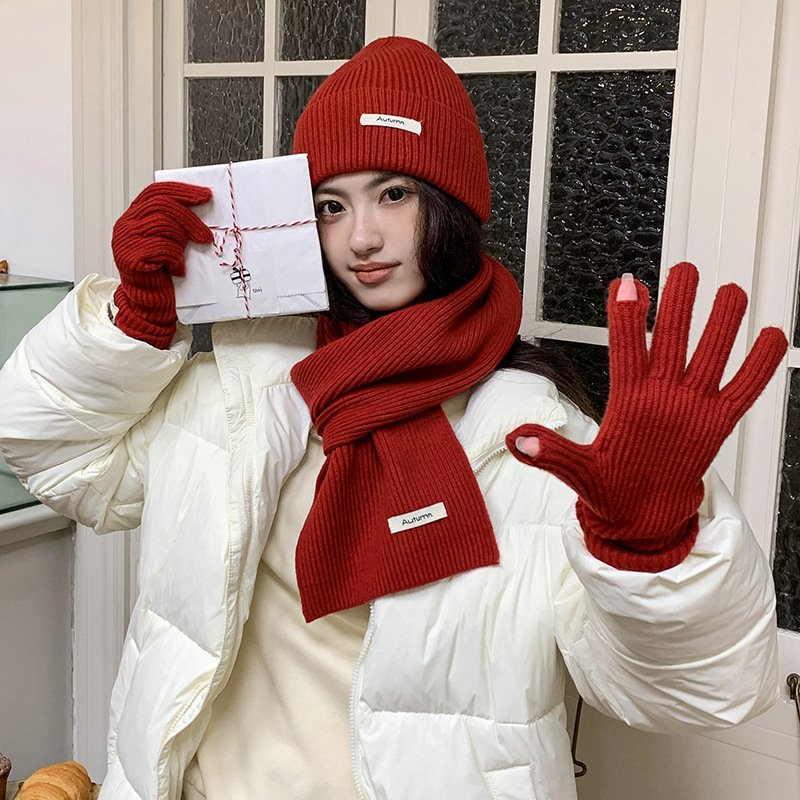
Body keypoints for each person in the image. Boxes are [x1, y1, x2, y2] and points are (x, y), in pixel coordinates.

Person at [0, 37, 788, 800]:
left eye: (394, 194)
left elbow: (696, 693)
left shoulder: (539, 445)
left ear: (451, 204)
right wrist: (133, 325)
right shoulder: (238, 388)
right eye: (330, 205)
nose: (362, 238)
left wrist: (652, 555)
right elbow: (54, 456)